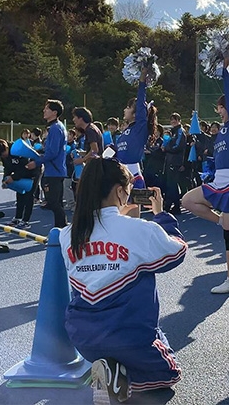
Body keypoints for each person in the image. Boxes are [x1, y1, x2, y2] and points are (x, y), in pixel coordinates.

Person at [59, 158, 187, 402]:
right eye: (128, 189)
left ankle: (108, 372)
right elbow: (177, 253)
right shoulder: (140, 229)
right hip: (130, 337)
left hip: (83, 338)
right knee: (168, 377)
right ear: (120, 191)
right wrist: (161, 216)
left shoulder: (68, 234)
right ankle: (120, 378)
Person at [182, 53, 229, 294]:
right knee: (187, 200)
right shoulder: (222, 130)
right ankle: (220, 220)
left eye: (223, 107)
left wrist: (225, 69)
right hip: (217, 182)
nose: (220, 111)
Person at [116, 67, 158, 216]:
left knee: (133, 220)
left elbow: (141, 102)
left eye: (128, 107)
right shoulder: (125, 132)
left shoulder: (140, 128)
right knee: (119, 217)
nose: (124, 110)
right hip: (119, 175)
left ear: (135, 113)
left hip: (133, 176)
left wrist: (142, 80)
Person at [27, 100, 68, 228]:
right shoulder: (55, 127)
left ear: (54, 112)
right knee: (55, 203)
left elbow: (52, 152)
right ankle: (60, 229)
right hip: (55, 170)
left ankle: (63, 229)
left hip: (54, 171)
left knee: (54, 203)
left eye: (47, 109)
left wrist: (36, 161)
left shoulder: (56, 128)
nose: (44, 111)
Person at [0, 139, 39, 229]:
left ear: (6, 148)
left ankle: (26, 220)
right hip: (20, 172)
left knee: (29, 194)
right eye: (0, 156)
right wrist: (5, 178)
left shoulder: (18, 150)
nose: (3, 156)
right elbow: (7, 167)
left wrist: (13, 177)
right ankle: (18, 217)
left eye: (2, 154)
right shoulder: (4, 156)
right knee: (20, 193)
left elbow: (26, 167)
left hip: (33, 170)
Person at [163, 113, 186, 215]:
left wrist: (166, 148)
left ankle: (169, 206)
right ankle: (176, 206)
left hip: (175, 161)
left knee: (172, 184)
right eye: (171, 120)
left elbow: (178, 146)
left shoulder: (180, 131)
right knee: (171, 184)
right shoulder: (173, 132)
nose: (173, 122)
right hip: (170, 160)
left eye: (175, 120)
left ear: (179, 120)